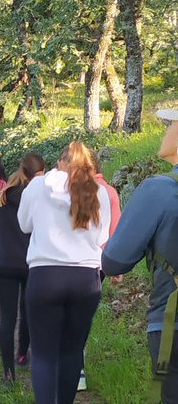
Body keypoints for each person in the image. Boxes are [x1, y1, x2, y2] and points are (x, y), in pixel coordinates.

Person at [102, 117, 178, 404]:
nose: (163, 131)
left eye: (170, 125)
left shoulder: (159, 191)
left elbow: (114, 261)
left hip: (171, 326)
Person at [18, 141, 111, 404]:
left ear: (59, 163)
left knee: (43, 353)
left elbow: (23, 225)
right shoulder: (98, 193)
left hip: (45, 275)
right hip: (86, 278)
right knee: (72, 351)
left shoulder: (38, 187)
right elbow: (102, 240)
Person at [0, 152, 45, 383]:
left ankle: (8, 373)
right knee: (28, 312)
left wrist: (5, 237)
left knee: (7, 318)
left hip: (5, 262)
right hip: (32, 262)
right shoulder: (40, 199)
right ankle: (22, 355)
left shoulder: (3, 195)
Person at [77, 151, 122, 390]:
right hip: (99, 263)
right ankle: (78, 369)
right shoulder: (110, 192)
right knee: (83, 315)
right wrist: (116, 267)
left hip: (71, 261)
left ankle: (67, 364)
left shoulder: (70, 189)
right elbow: (116, 230)